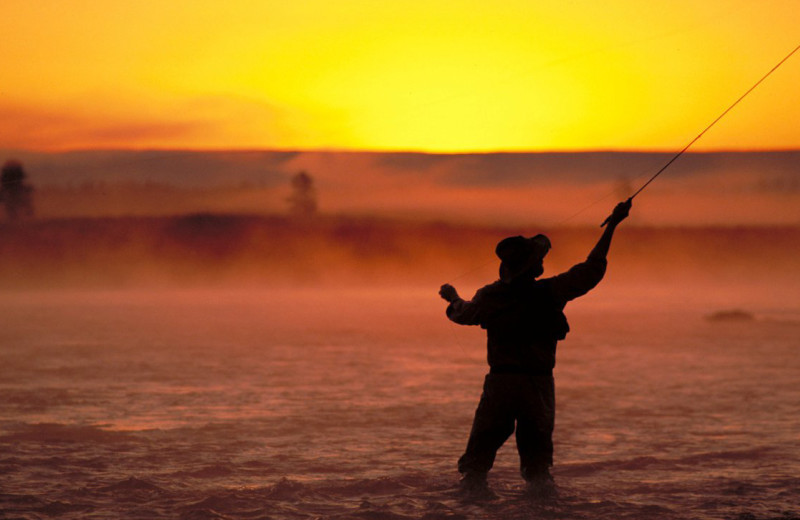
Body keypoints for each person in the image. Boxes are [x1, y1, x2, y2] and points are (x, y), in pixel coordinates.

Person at [439, 199, 632, 496]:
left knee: (476, 467)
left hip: (500, 384)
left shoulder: (491, 296)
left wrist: (452, 297)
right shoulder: (551, 293)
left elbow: (463, 314)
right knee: (538, 471)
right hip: (538, 385)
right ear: (534, 266)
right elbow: (592, 270)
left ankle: (471, 509)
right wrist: (614, 226)